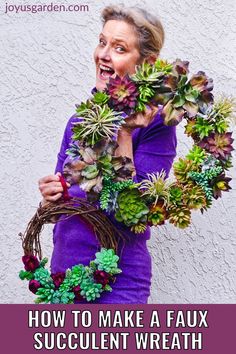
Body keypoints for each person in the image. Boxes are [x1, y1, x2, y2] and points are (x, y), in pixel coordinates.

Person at [38, 6, 177, 303]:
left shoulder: (156, 127)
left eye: (119, 48)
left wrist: (125, 134)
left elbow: (135, 214)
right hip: (64, 278)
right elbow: (68, 200)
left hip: (119, 286)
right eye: (102, 42)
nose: (103, 54)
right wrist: (53, 194)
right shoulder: (79, 122)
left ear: (146, 63)